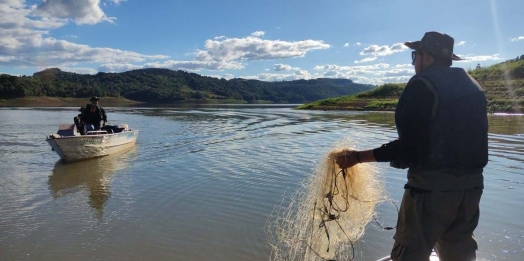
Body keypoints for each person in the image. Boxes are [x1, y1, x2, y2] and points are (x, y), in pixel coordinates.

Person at [335, 32, 488, 261]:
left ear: (426, 57)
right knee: (459, 254)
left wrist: (356, 158)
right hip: (472, 190)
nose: (414, 61)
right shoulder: (472, 86)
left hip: (430, 192)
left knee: (408, 254)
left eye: (415, 55)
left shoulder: (423, 85)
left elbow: (409, 149)